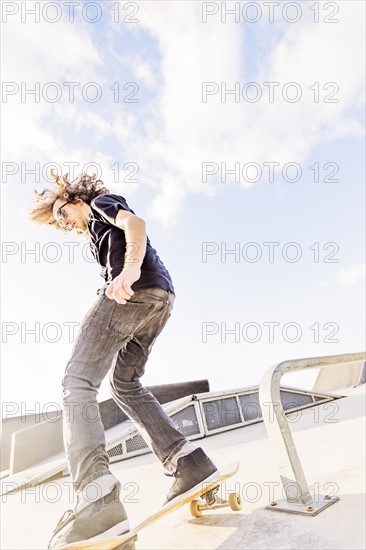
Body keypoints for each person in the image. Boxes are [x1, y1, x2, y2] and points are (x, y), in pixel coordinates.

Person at [28, 171, 218, 549]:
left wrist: (129, 269)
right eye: (59, 224)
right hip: (161, 300)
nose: (64, 224)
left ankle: (95, 497)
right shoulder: (96, 234)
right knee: (124, 384)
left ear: (76, 200)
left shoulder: (100, 204)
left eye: (63, 214)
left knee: (77, 381)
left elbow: (135, 223)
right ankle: (188, 462)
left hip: (136, 292)